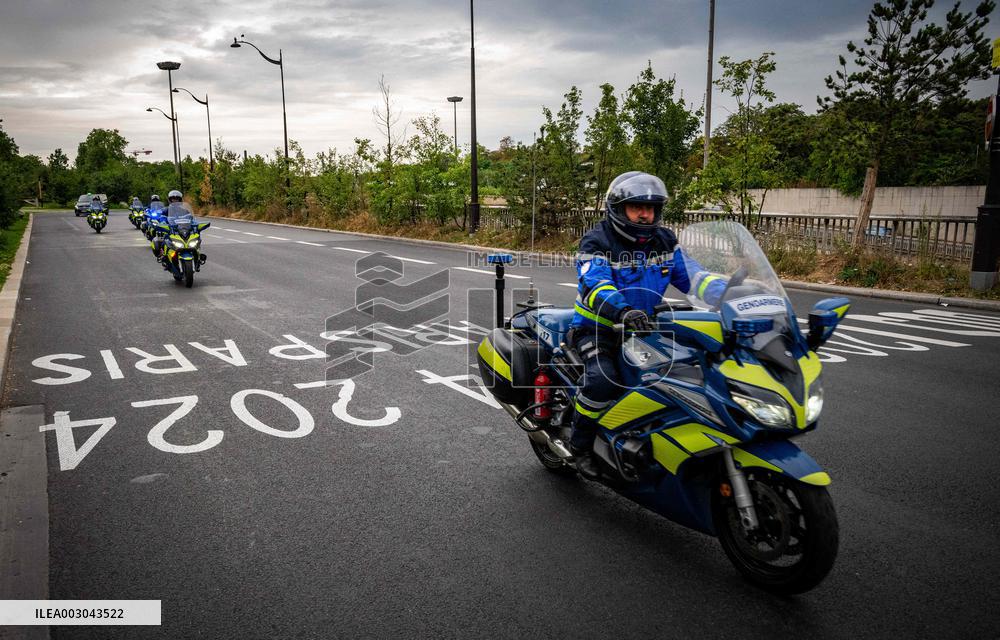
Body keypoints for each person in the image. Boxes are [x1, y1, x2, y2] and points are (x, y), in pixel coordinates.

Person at [568, 171, 727, 479]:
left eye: (651, 208)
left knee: (693, 373)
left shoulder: (665, 241)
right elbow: (595, 284)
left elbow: (694, 276)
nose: (645, 214)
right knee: (603, 381)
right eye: (637, 207)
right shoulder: (597, 241)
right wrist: (623, 311)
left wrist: (730, 292)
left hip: (647, 329)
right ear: (618, 209)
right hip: (600, 330)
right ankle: (581, 445)